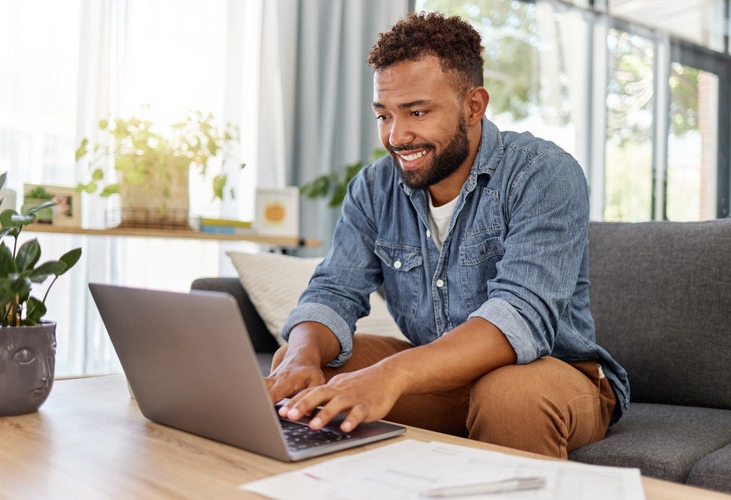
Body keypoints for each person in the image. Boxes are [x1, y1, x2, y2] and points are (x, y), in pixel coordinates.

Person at [266, 11, 629, 458]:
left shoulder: (544, 173)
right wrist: (302, 351)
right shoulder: (374, 187)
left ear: (474, 106)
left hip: (551, 372)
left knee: (510, 396)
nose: (397, 136)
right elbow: (333, 290)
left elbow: (519, 314)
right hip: (440, 379)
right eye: (384, 115)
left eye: (417, 112)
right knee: (298, 367)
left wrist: (389, 375)